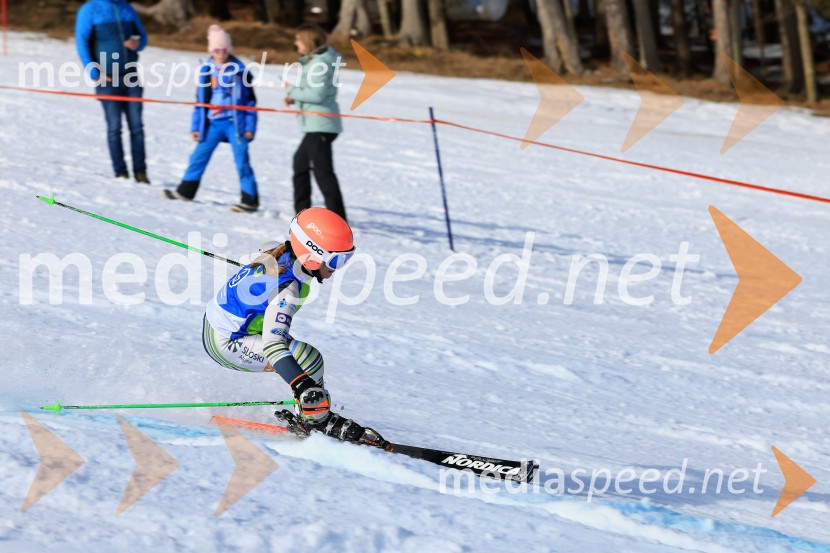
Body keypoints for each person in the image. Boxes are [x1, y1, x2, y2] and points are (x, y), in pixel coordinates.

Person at [202, 207, 377, 443]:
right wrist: (301, 384)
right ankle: (317, 419)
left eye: (345, 259)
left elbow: (252, 257)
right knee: (308, 359)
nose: (336, 268)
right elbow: (274, 345)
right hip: (225, 341)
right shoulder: (288, 290)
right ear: (313, 255)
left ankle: (314, 411)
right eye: (336, 259)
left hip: (221, 325)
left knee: (307, 361)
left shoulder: (277, 250)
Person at [163, 25, 259, 213]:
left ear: (229, 49)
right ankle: (186, 191)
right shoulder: (206, 71)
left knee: (242, 160)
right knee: (198, 156)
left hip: (235, 123)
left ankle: (250, 200)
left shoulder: (241, 72)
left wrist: (250, 127)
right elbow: (200, 102)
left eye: (224, 50)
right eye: (217, 50)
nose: (220, 54)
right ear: (211, 50)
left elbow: (251, 103)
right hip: (213, 123)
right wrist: (196, 127)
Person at [75, 0, 150, 184]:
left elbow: (143, 38)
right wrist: (94, 72)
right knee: (114, 128)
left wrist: (137, 43)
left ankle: (141, 172)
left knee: (137, 128)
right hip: (107, 79)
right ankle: (121, 172)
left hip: (131, 77)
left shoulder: (126, 7)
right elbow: (81, 42)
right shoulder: (90, 9)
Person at [284, 24, 347, 222]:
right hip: (316, 123)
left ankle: (338, 218)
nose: (295, 44)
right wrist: (296, 98)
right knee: (300, 164)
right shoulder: (315, 62)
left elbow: (317, 94)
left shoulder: (321, 63)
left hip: (321, 124)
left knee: (323, 173)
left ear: (309, 41)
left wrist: (292, 90)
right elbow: (315, 92)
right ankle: (302, 212)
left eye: (298, 40)